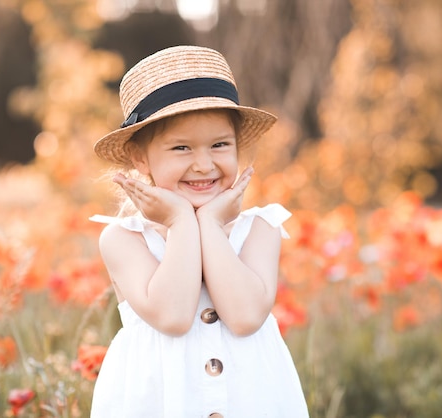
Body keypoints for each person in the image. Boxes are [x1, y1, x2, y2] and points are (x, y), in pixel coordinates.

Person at [89, 45, 309, 418]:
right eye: (181, 148)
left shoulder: (258, 228)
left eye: (220, 145)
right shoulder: (124, 240)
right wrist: (179, 223)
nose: (204, 164)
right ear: (140, 158)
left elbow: (245, 317)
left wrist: (209, 223)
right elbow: (172, 316)